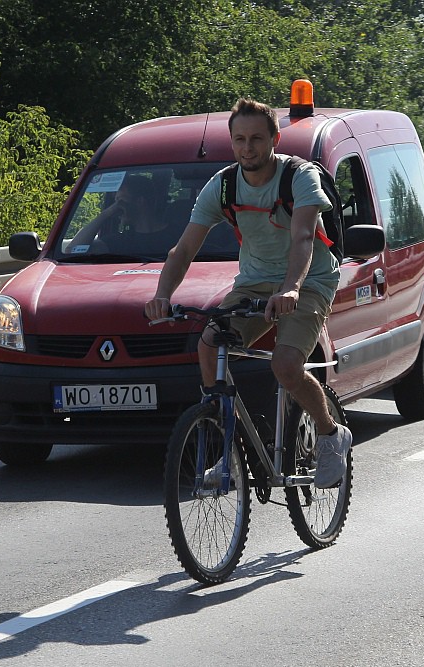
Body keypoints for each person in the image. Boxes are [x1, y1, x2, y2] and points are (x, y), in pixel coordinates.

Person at [144, 98, 351, 488]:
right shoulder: (222, 185)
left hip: (308, 281)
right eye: (239, 139)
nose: (248, 147)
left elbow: (304, 237)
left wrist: (291, 289)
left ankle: (329, 435)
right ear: (231, 142)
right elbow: (184, 249)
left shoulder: (299, 177)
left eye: (257, 138)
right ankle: (231, 449)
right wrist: (162, 294)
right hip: (253, 283)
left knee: (285, 366)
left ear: (274, 138)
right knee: (209, 345)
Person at [68, 174, 166, 254]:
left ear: (140, 201)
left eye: (120, 200)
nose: (116, 207)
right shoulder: (121, 241)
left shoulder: (175, 237)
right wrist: (105, 214)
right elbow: (72, 251)